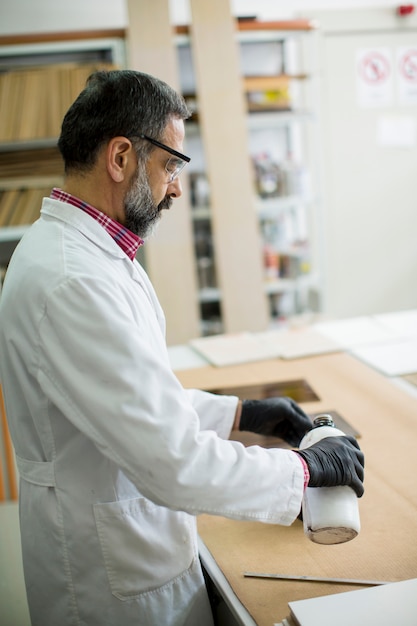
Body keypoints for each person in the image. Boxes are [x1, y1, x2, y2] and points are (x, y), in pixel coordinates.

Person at [0, 70, 364, 626]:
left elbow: (129, 399)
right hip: (111, 582)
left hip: (126, 548)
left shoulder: (85, 253)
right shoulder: (74, 280)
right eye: (170, 165)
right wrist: (304, 471)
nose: (175, 187)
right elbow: (173, 463)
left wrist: (243, 413)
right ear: (120, 158)